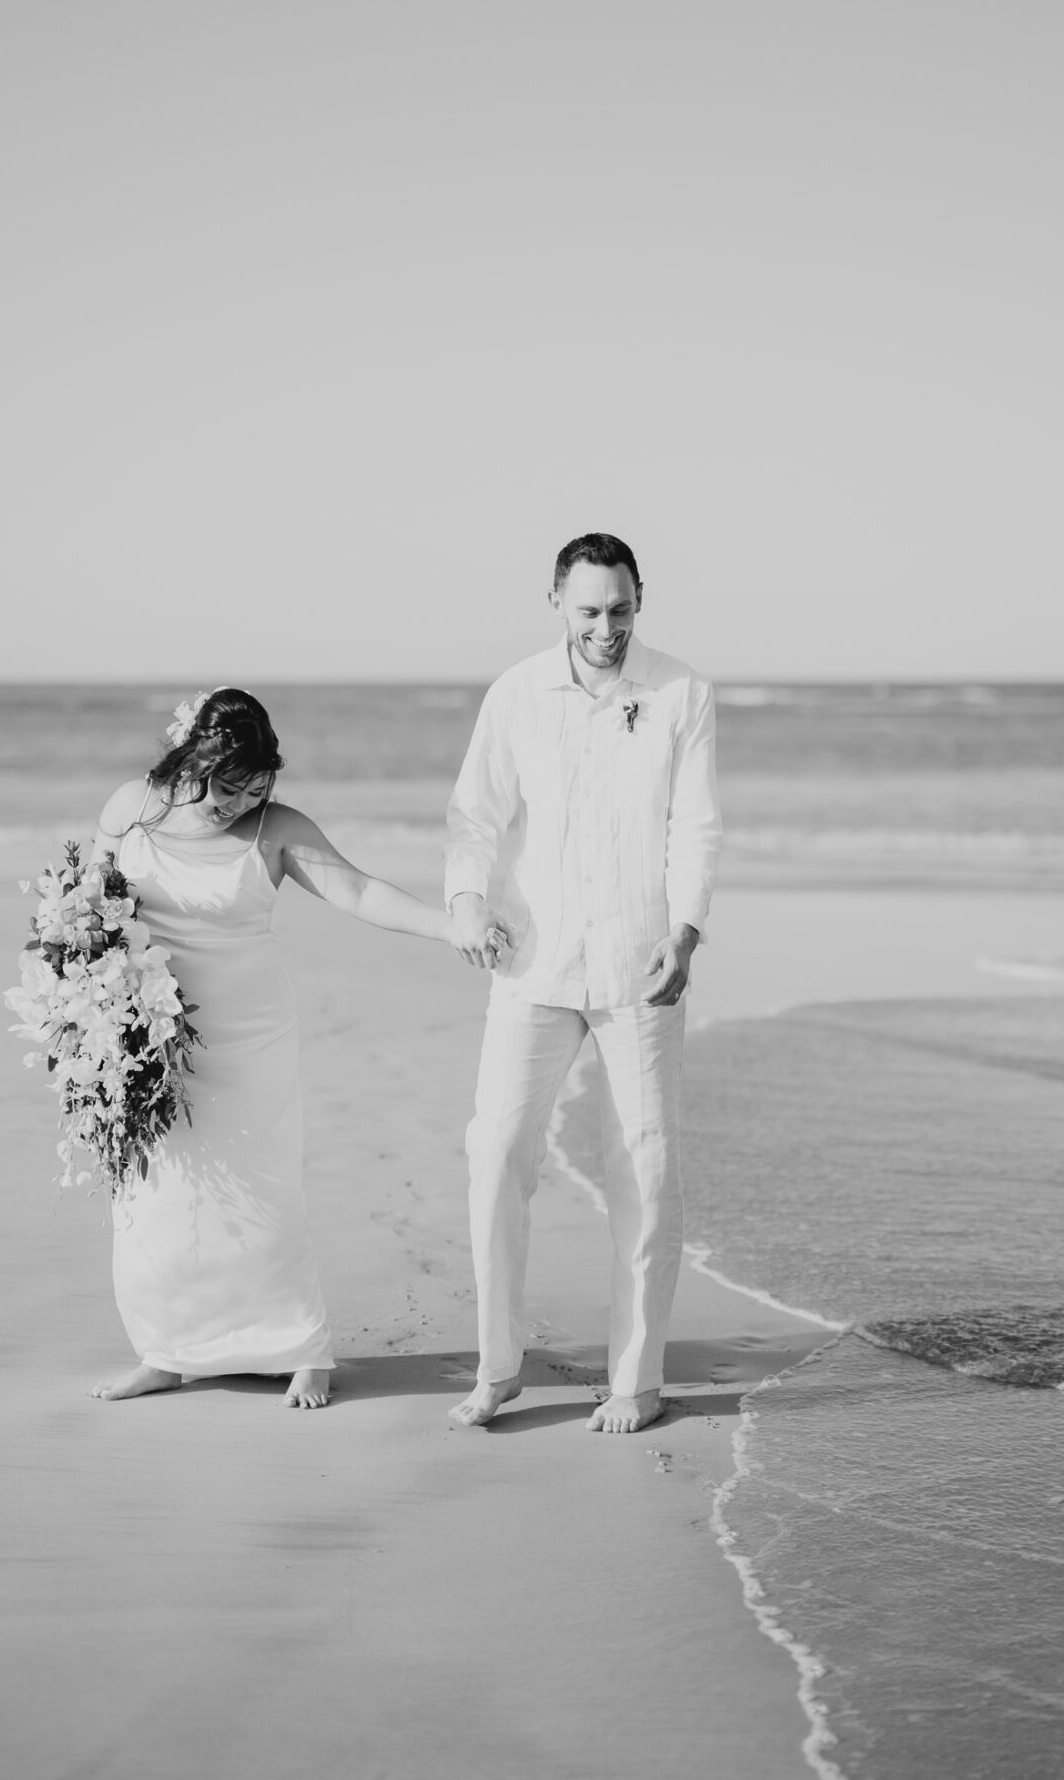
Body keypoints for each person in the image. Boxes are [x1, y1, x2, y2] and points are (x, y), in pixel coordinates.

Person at [88, 687, 468, 1407]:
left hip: (248, 1031)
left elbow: (359, 892)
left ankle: (301, 1348)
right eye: (225, 785)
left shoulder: (277, 829)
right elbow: (88, 902)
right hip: (147, 1030)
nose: (236, 802)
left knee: (261, 1187)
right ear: (190, 758)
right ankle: (167, 1351)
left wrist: (451, 925)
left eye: (254, 787)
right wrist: (87, 996)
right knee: (155, 1190)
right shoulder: (130, 807)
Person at [444, 534, 722, 1433]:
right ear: (557, 603)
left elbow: (696, 824)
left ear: (641, 599)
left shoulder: (682, 692)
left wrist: (684, 931)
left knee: (645, 1164)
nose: (607, 628)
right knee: (496, 1154)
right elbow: (474, 816)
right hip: (533, 961)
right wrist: (464, 903)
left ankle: (634, 1379)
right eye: (590, 612)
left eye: (622, 610)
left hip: (641, 965)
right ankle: (497, 1368)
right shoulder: (517, 693)